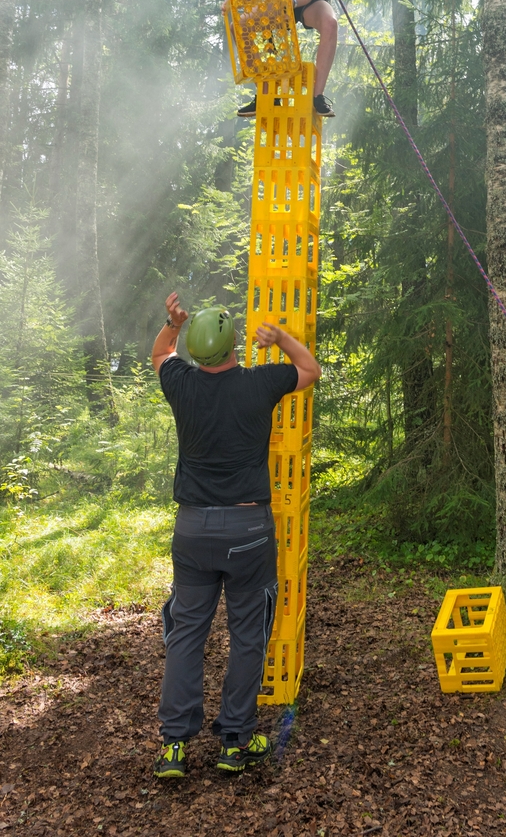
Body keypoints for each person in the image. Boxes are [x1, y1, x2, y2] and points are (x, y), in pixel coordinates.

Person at [151, 292, 321, 778]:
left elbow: (161, 353)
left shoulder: (180, 383)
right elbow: (310, 371)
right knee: (247, 636)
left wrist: (173, 322)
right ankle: (235, 741)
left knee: (186, 636)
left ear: (197, 353)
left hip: (193, 529)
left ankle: (174, 748)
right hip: (248, 530)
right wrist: (283, 338)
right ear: (232, 348)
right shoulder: (259, 383)